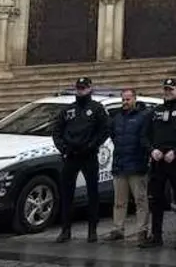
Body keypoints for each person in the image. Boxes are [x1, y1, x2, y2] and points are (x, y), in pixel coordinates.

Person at [51, 76, 111, 243]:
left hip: (88, 156)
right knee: (67, 194)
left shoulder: (97, 108)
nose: (81, 91)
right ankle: (65, 230)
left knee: (93, 194)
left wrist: (92, 145)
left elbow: (104, 130)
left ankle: (92, 230)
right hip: (71, 156)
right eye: (79, 88)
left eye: (84, 88)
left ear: (90, 88)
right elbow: (57, 131)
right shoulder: (68, 110)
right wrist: (63, 148)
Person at [144, 78, 176, 249]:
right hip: (158, 162)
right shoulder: (156, 111)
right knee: (156, 200)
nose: (168, 92)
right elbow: (145, 136)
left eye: (171, 89)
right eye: (166, 89)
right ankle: (156, 236)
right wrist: (152, 150)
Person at [106, 87, 152, 246]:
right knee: (119, 201)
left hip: (137, 164)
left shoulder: (144, 116)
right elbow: (113, 135)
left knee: (140, 200)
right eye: (123, 99)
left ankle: (142, 231)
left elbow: (146, 138)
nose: (125, 102)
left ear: (134, 99)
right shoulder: (117, 117)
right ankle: (118, 228)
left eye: (128, 99)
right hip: (120, 164)